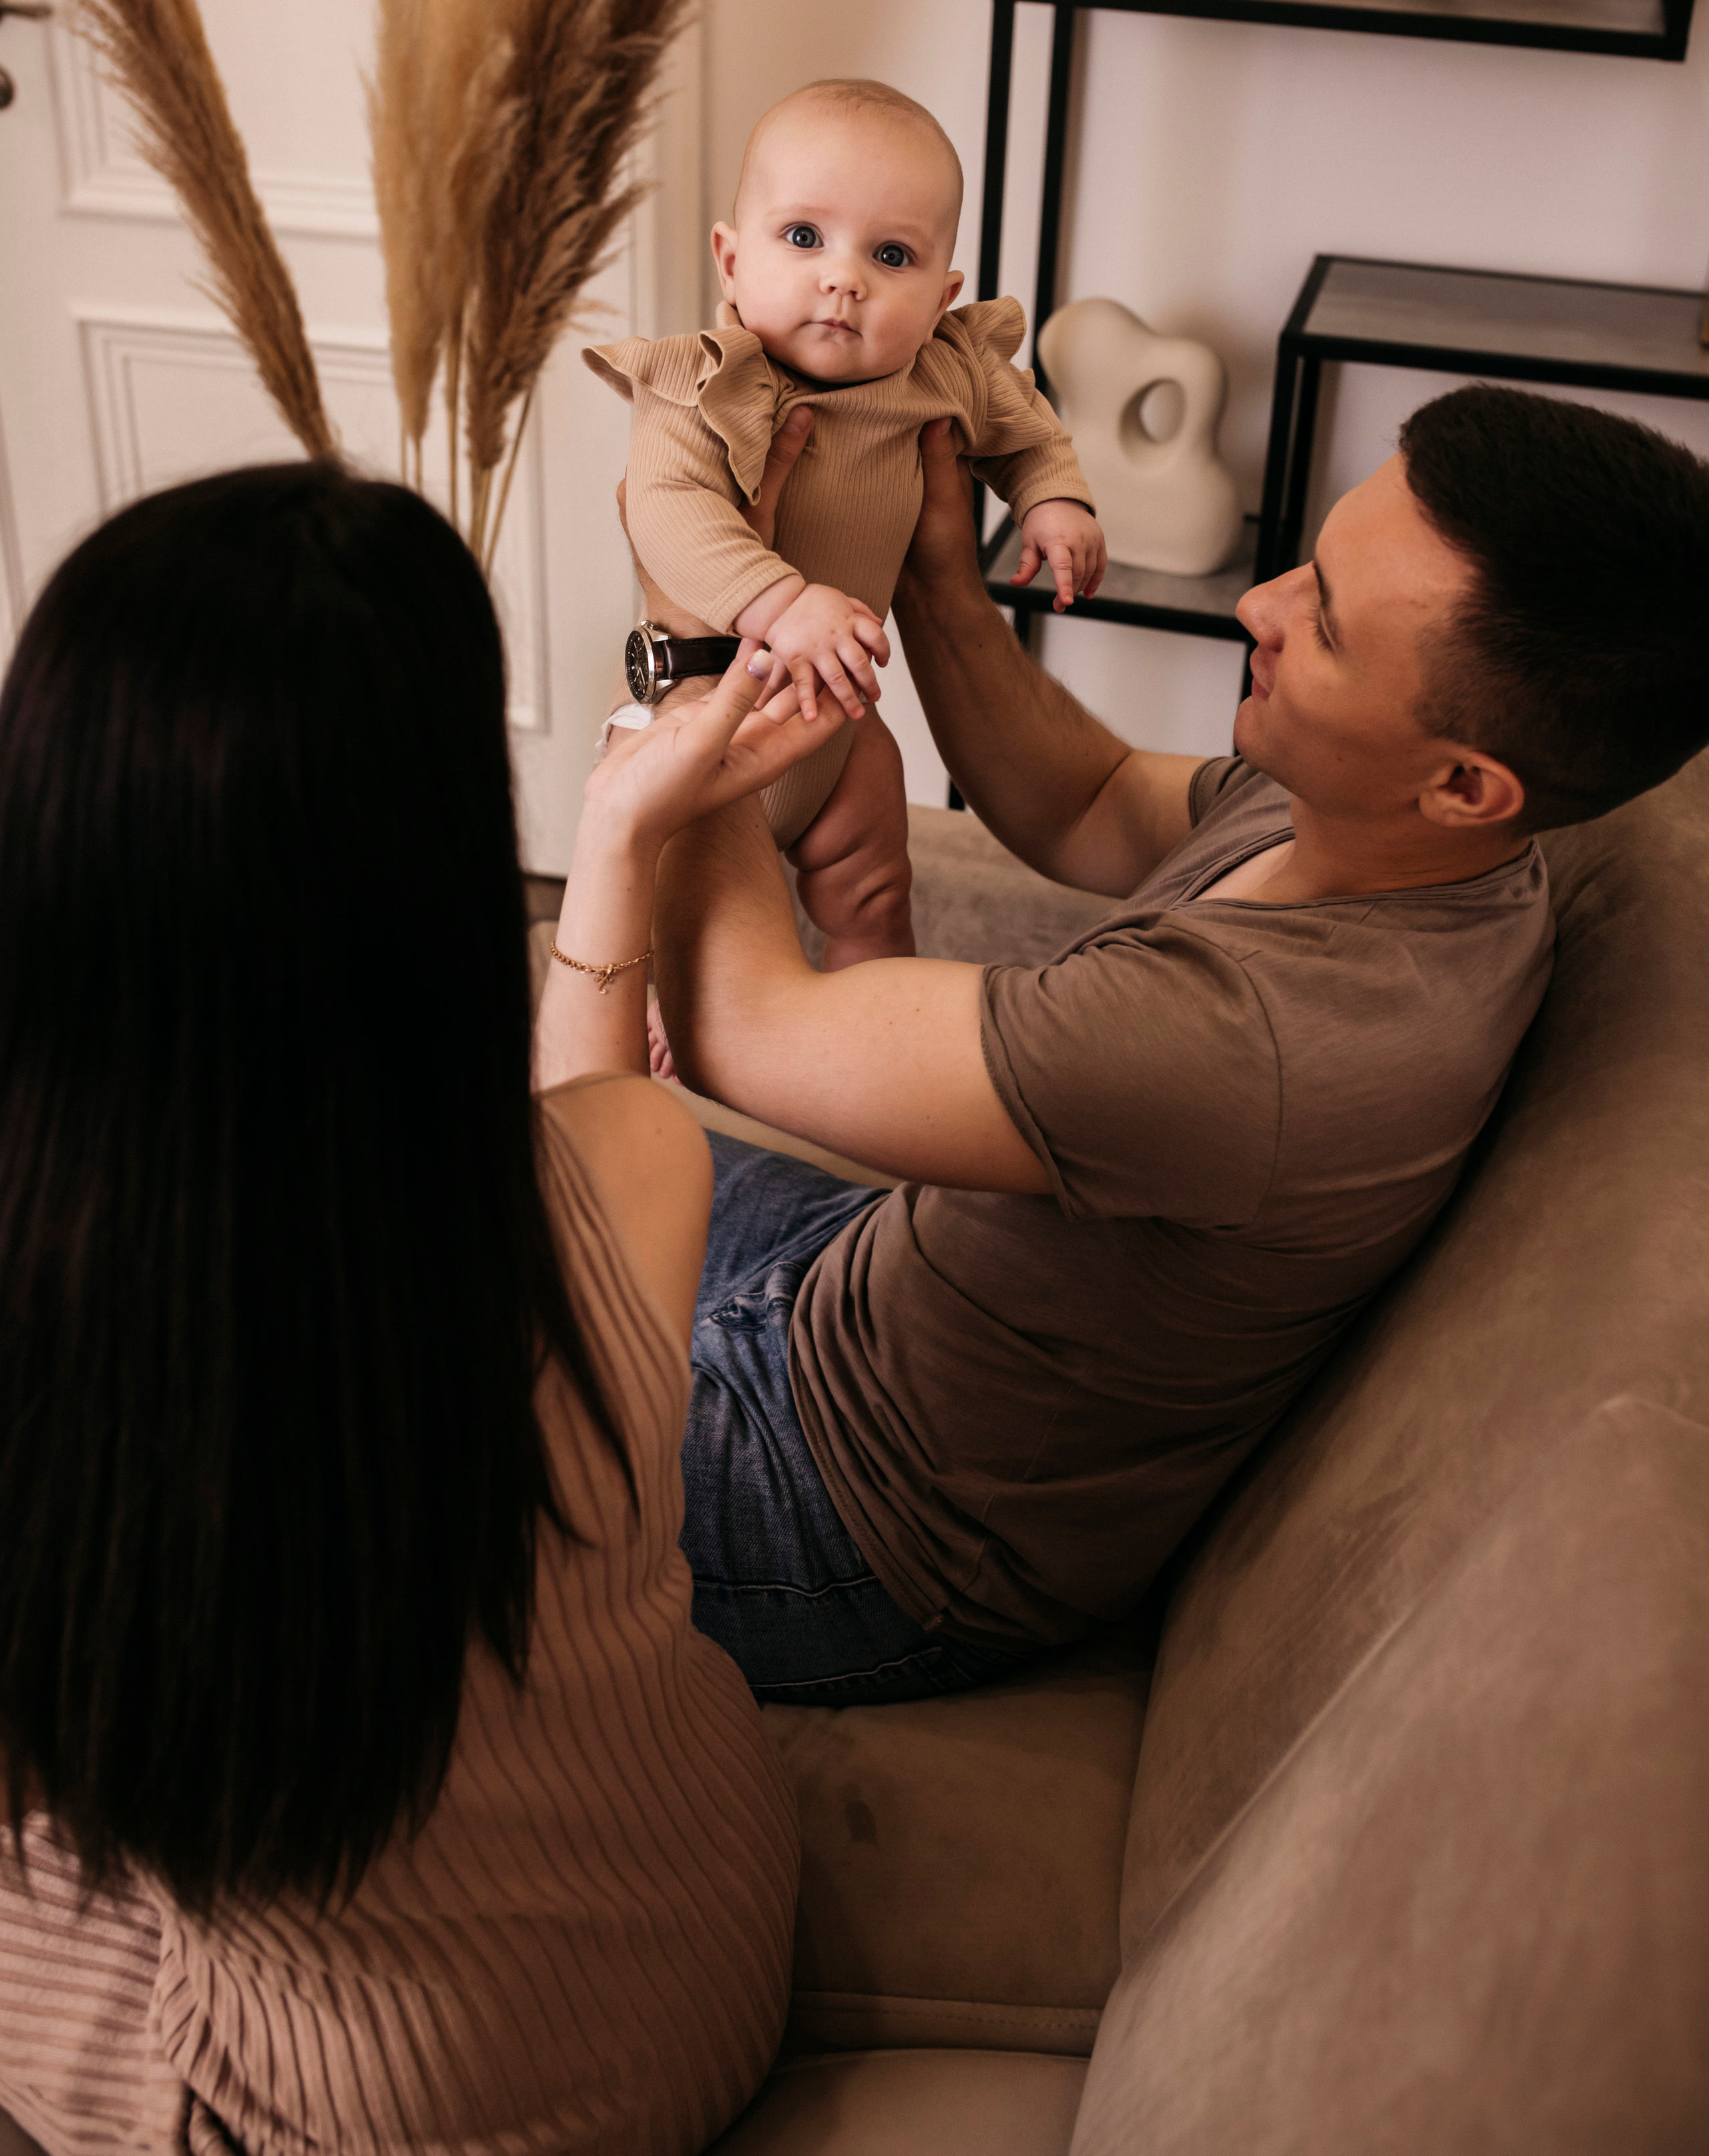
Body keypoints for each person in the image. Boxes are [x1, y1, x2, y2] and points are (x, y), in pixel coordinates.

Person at [561, 380, 1709, 1707]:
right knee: (441, 1192)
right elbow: (1091, 798)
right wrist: (941, 577)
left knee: (345, 1411)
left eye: (1322, 623)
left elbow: (745, 1030)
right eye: (1307, 563)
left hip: (856, 1517)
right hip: (862, 1289)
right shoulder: (1390, 835)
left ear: (1462, 782)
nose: (1255, 605)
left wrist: (694, 643)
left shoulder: (1252, 1043)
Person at [0, 464, 831, 2156]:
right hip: (707, 1950)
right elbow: (570, 1127)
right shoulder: (632, 1171)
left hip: (376, 2110)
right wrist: (617, 840)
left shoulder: (54, 1368)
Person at [583, 76, 1105, 967]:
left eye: (892, 257)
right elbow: (669, 514)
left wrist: (1054, 497)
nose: (843, 279)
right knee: (670, 914)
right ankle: (654, 998)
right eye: (803, 237)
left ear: (943, 298)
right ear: (732, 259)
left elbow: (1025, 431)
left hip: (836, 725)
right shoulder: (699, 384)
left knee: (874, 888)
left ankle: (874, 1005)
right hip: (702, 713)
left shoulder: (945, 373)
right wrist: (780, 603)